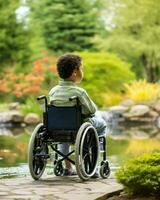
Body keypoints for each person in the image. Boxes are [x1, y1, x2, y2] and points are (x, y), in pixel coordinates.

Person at [49, 54, 107, 178]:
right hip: (80, 126)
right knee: (101, 123)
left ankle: (68, 167)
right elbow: (90, 110)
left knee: (63, 133)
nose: (83, 71)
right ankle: (95, 155)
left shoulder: (53, 91)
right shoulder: (79, 92)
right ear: (75, 72)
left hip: (58, 127)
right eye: (82, 68)